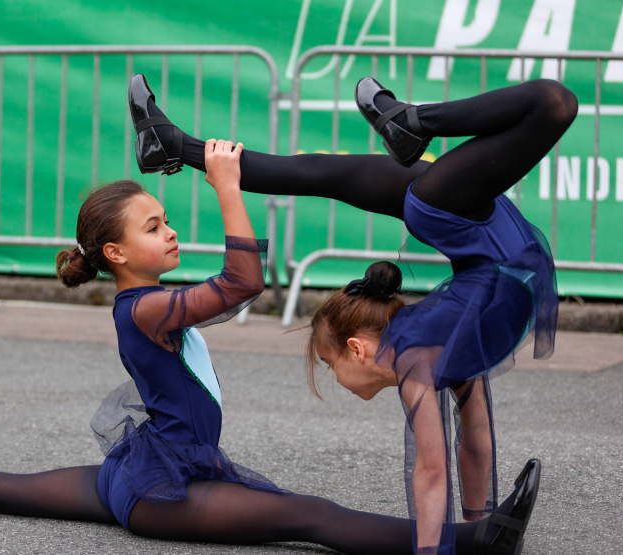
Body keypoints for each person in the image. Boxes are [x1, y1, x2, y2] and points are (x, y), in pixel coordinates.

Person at [0, 137, 537, 555]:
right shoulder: (145, 310)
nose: (170, 229)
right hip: (157, 491)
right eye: (153, 226)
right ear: (113, 253)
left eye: (168, 218)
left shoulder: (148, 304)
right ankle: (472, 544)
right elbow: (241, 281)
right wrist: (227, 181)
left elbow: (226, 284)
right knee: (306, 516)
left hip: (133, 471)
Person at [129, 73, 577, 554]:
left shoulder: (425, 357)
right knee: (324, 170)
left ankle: (408, 121)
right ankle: (402, 122)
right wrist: (478, 527)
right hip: (474, 225)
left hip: (474, 226)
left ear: (357, 348)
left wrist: (452, 538)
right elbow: (473, 441)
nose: (333, 379)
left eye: (329, 363)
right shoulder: (438, 351)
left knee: (553, 102)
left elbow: (437, 466)